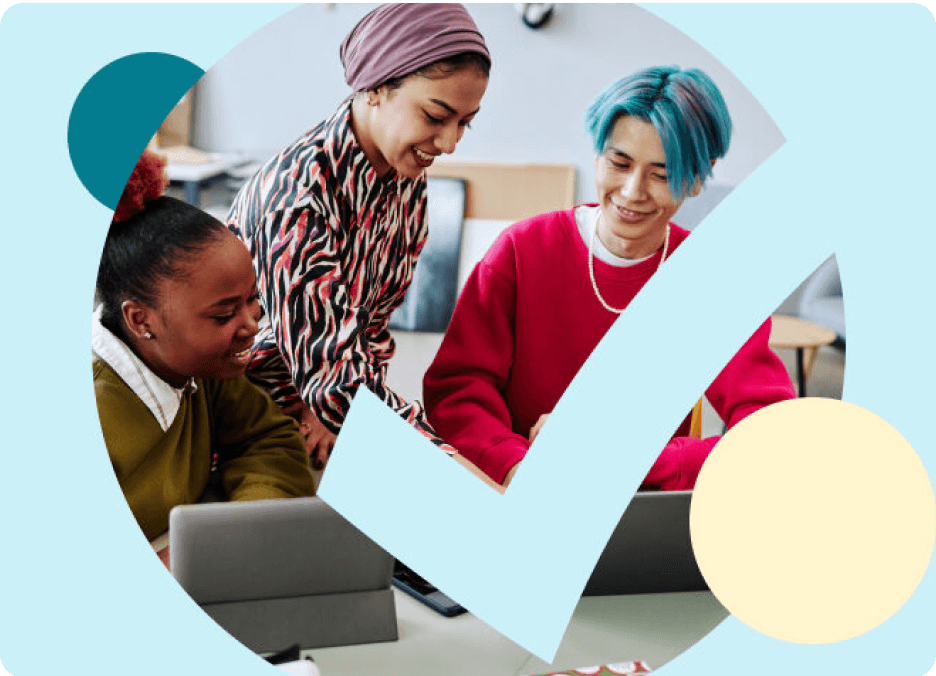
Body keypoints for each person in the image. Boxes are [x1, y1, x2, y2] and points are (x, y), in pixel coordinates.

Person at [423, 66, 796, 488]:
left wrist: (623, 459)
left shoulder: (713, 283)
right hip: (514, 488)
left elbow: (771, 434)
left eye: (661, 174)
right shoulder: (521, 251)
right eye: (619, 163)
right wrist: (515, 465)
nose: (633, 191)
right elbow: (457, 391)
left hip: (639, 509)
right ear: (597, 155)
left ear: (697, 178)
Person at [227, 2, 491, 471]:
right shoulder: (297, 197)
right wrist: (446, 461)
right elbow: (335, 379)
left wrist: (327, 409)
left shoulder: (405, 177)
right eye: (435, 115)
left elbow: (369, 328)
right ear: (374, 89)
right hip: (239, 414)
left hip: (321, 407)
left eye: (465, 123)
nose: (450, 143)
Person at [93, 150, 316, 567]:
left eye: (253, 300)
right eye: (223, 314)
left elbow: (267, 440)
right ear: (140, 320)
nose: (252, 324)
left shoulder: (205, 365)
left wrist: (240, 526)